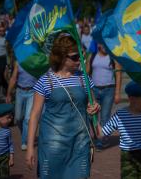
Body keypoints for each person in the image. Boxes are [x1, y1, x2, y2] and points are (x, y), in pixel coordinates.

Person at [26, 34, 100, 179]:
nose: (79, 60)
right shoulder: (45, 81)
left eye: (80, 55)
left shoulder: (84, 78)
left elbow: (94, 105)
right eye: (74, 57)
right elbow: (34, 116)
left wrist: (95, 108)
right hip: (52, 145)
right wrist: (29, 148)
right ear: (61, 57)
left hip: (80, 144)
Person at [100, 81, 141, 179]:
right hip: (128, 157)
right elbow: (102, 133)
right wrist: (93, 116)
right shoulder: (120, 115)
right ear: (131, 99)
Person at [86, 43, 122, 150]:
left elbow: (118, 74)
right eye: (103, 44)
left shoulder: (113, 57)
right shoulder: (92, 56)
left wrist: (117, 93)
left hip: (109, 90)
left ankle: (101, 140)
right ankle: (96, 135)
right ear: (98, 45)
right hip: (94, 90)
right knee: (91, 115)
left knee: (105, 116)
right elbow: (86, 74)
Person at [6, 61, 38, 151]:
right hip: (20, 91)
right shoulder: (18, 62)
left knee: (27, 119)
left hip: (32, 92)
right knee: (19, 118)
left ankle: (24, 142)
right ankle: (26, 133)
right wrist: (8, 94)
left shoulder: (35, 61)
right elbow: (13, 78)